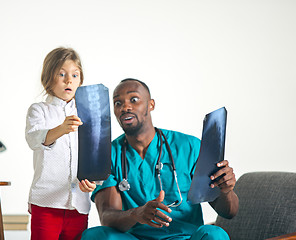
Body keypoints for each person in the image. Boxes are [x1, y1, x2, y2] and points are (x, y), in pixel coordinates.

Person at [81, 78, 239, 240]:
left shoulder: (189, 147)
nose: (125, 107)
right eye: (117, 103)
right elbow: (107, 216)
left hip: (184, 237)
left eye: (133, 100)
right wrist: (137, 214)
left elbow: (229, 212)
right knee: (96, 236)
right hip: (135, 238)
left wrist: (226, 191)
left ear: (151, 104)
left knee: (215, 235)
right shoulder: (108, 155)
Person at [25, 47, 96, 240]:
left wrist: (94, 182)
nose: (69, 80)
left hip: (78, 205)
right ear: (48, 78)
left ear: (80, 80)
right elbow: (34, 139)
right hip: (46, 203)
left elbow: (94, 154)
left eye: (75, 75)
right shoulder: (39, 110)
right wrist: (61, 129)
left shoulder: (87, 114)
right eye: (62, 74)